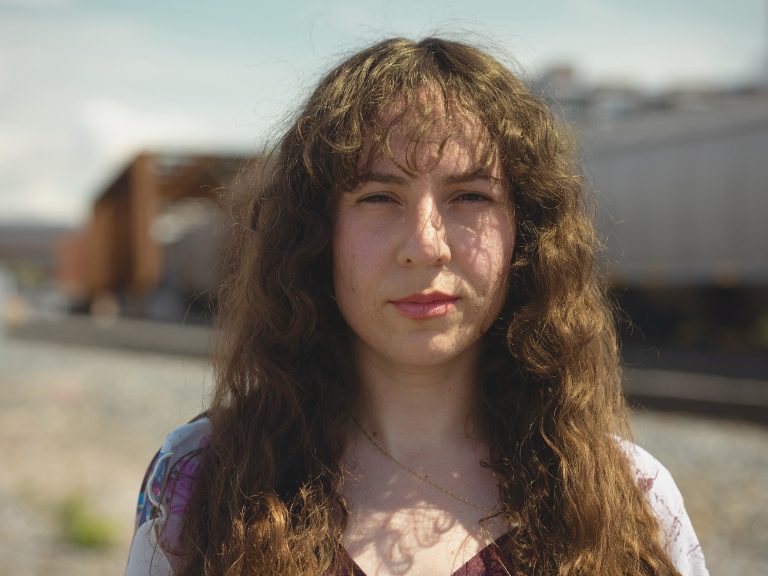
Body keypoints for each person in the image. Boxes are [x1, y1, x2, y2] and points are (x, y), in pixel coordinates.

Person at [125, 37, 708, 576]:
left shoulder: (632, 499)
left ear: (525, 236)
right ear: (316, 233)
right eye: (379, 196)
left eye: (471, 197)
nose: (426, 243)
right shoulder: (198, 478)